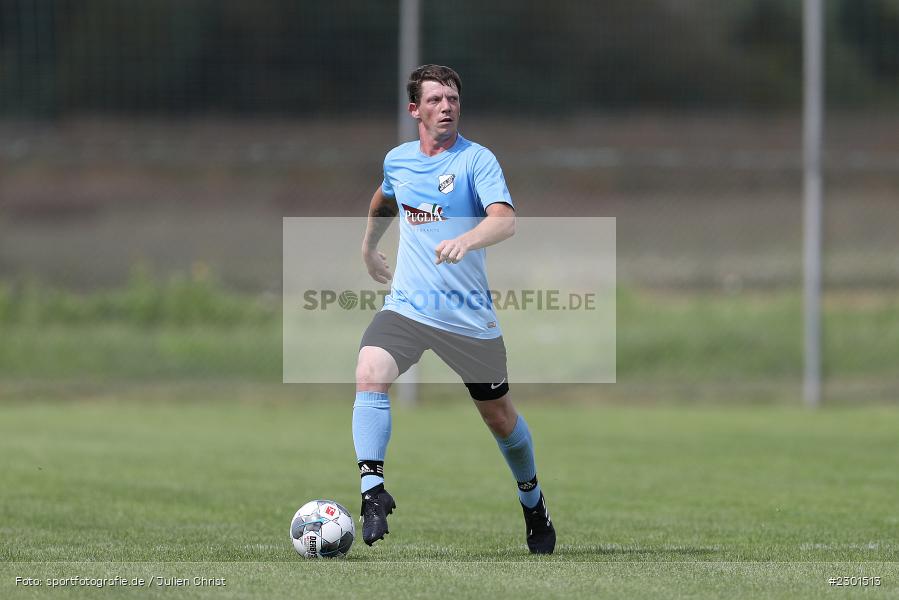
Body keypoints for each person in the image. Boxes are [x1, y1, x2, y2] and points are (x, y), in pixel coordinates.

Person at [352, 65, 555, 554]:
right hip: (408, 307)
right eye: (437, 99)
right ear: (415, 109)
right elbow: (385, 198)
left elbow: (504, 222)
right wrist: (368, 247)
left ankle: (532, 501)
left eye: (453, 99)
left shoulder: (476, 161)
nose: (447, 106)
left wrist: (467, 237)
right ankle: (372, 492)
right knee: (369, 369)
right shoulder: (398, 160)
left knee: (499, 418)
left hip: (467, 319)